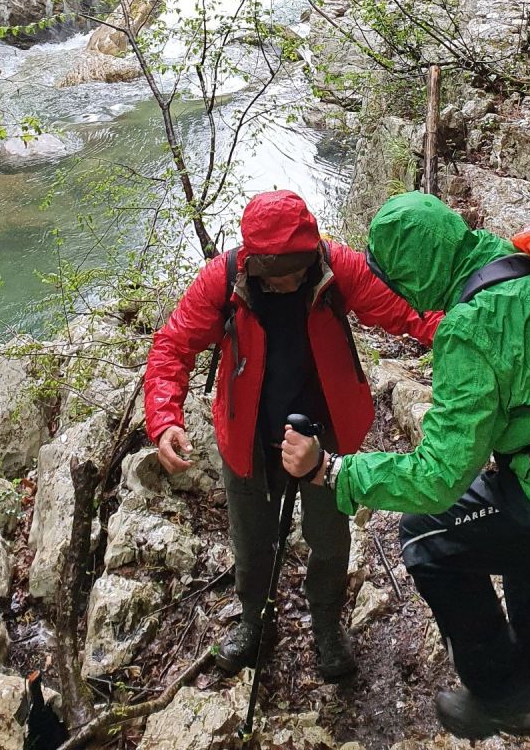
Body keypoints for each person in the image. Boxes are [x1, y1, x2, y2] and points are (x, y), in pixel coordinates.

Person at [281, 191, 530, 750]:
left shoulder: (468, 326)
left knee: (425, 535)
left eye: (397, 280)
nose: (400, 295)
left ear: (415, 268)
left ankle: (498, 689)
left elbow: (436, 479)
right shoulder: (520, 264)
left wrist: (333, 470)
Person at [144, 189, 441, 681]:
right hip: (249, 437)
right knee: (251, 542)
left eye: (297, 267)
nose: (290, 279)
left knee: (328, 538)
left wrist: (469, 333)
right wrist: (165, 416)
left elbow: (406, 313)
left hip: (325, 436)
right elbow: (173, 344)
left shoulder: (333, 266)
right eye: (277, 271)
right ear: (254, 262)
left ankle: (326, 626)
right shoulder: (223, 279)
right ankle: (254, 622)